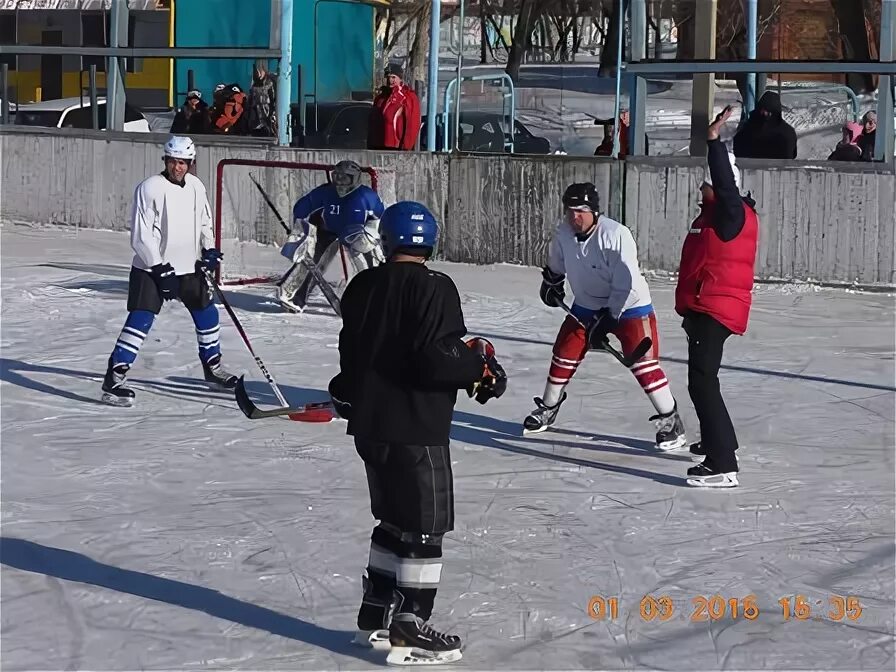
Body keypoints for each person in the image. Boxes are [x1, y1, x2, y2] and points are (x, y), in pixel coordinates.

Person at [328, 201, 507, 665]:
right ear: (429, 241)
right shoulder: (435, 287)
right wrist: (479, 367)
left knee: (392, 519)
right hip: (417, 427)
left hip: (370, 427)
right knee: (425, 527)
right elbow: (435, 358)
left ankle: (375, 611)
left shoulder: (362, 285)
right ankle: (409, 623)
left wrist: (345, 393)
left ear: (386, 240)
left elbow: (352, 356)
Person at [524, 182, 687, 452]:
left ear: (594, 212)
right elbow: (557, 264)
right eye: (570, 211)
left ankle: (671, 421)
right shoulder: (564, 232)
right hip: (586, 304)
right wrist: (552, 282)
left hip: (629, 305)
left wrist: (610, 319)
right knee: (564, 353)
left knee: (643, 363)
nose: (575, 217)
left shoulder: (616, 235)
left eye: (581, 211)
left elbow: (626, 283)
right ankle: (548, 408)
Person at [100, 136, 237, 406]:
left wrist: (208, 250)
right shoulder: (150, 188)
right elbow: (140, 236)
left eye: (183, 163)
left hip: (189, 266)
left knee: (206, 312)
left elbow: (204, 222)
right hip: (153, 269)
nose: (178, 168)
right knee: (141, 319)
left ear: (191, 163)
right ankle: (115, 376)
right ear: (166, 160)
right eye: (173, 162)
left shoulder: (197, 186)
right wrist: (158, 267)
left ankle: (213, 367)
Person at [675, 105, 759, 488]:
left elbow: (725, 183)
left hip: (717, 309)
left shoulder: (731, 212)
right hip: (705, 308)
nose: (700, 190)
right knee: (703, 380)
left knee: (702, 382)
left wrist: (713, 141)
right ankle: (719, 441)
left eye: (704, 184)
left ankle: (722, 463)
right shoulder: (713, 217)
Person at [277, 160, 387, 313]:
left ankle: (375, 300)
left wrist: (373, 236)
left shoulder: (367, 196)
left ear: (355, 179)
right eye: (337, 177)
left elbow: (381, 218)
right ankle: (294, 297)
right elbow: (302, 208)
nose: (340, 182)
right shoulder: (325, 192)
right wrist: (300, 228)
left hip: (357, 235)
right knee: (311, 261)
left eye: (345, 178)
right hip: (329, 231)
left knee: (371, 267)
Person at [368, 64, 421, 151]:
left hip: (397, 146)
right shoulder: (380, 98)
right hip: (379, 145)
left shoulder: (408, 97)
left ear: (400, 78)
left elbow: (413, 123)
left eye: (393, 77)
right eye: (388, 77)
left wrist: (406, 146)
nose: (390, 80)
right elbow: (373, 122)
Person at [732, 91, 797, 159]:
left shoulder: (746, 130)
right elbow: (792, 155)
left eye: (769, 111)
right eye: (763, 110)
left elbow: (737, 151)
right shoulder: (788, 132)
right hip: (780, 169)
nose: (765, 114)